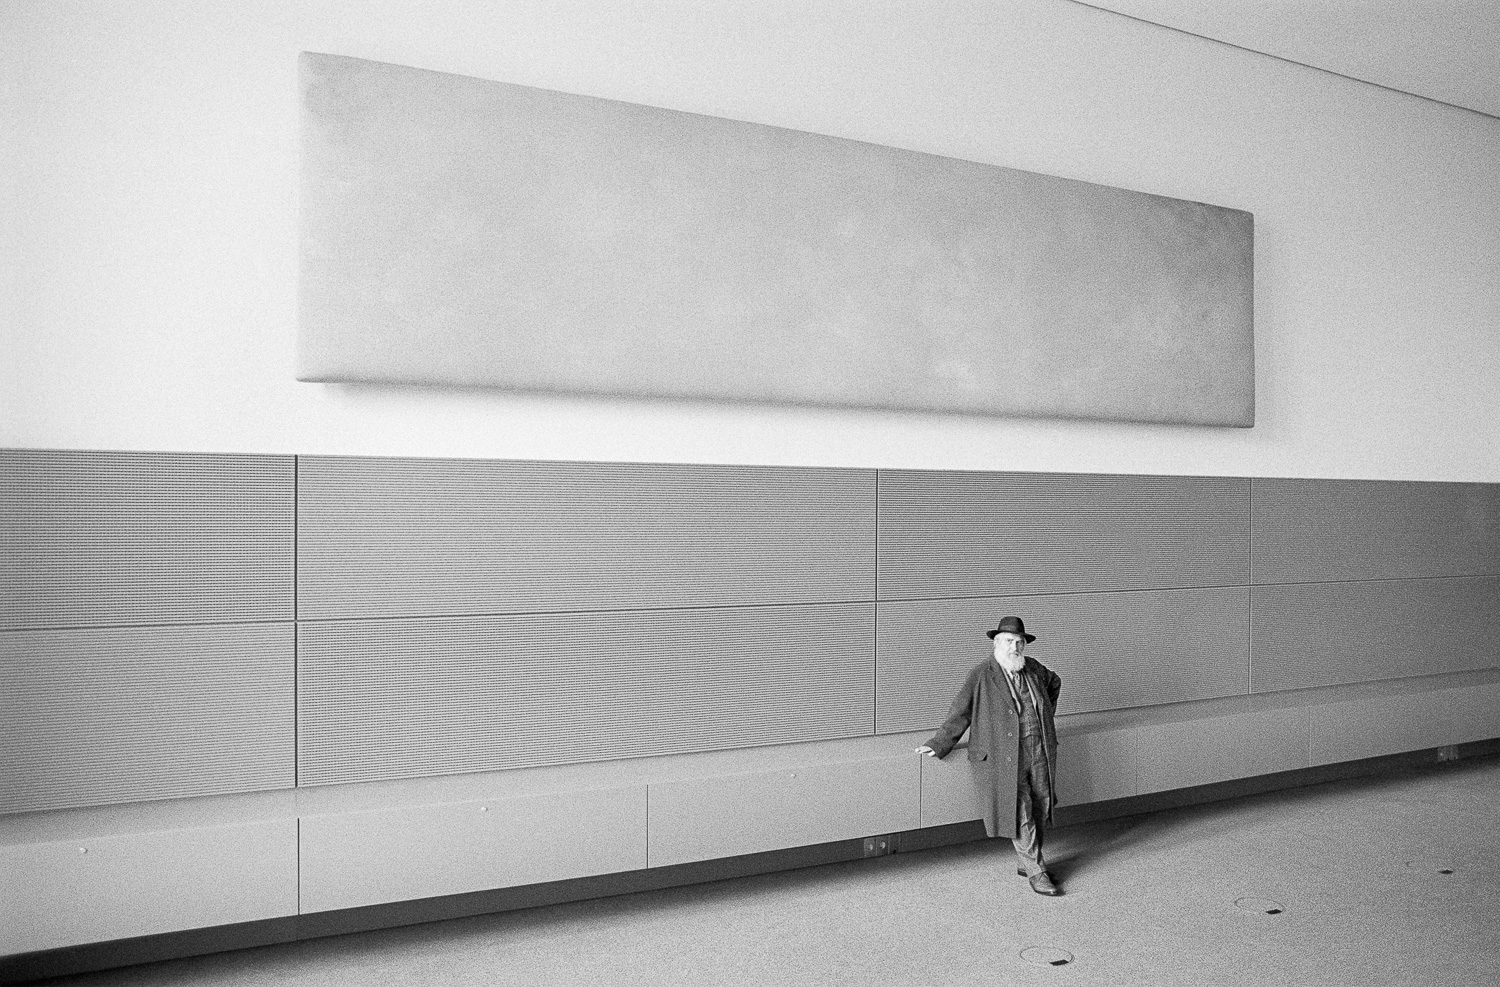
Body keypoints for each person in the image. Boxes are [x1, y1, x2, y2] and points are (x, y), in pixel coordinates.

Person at [916, 616, 1064, 896]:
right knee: (1019, 809)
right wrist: (939, 742)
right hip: (1003, 755)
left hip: (1039, 748)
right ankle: (1036, 870)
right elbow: (961, 710)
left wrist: (1046, 716)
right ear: (997, 643)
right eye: (1009, 641)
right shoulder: (983, 674)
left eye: (1019, 642)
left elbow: (1055, 683)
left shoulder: (1032, 669)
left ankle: (1027, 861)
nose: (1015, 647)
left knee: (1041, 803)